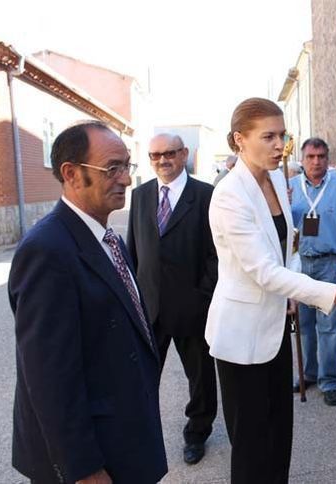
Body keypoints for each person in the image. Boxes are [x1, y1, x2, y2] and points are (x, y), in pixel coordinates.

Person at [205, 97, 336, 484]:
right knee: (252, 447)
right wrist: (333, 294)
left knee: (279, 436)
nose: (278, 144)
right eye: (267, 136)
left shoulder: (277, 184)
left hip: (274, 329)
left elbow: (289, 252)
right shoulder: (229, 194)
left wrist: (296, 292)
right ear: (239, 139)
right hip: (241, 336)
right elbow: (264, 272)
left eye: (282, 135)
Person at [9, 121, 167, 483]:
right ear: (72, 174)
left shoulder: (108, 238)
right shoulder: (47, 251)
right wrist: (84, 469)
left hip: (123, 441)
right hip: (93, 461)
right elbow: (50, 380)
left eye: (127, 166)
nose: (126, 179)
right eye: (113, 168)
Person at [126, 133, 218, 465]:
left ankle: (197, 432)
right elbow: (133, 251)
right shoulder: (140, 196)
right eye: (154, 155)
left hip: (193, 307)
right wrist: (134, 296)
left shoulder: (206, 195)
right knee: (143, 377)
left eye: (168, 153)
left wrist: (202, 296)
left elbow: (216, 254)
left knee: (201, 378)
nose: (162, 160)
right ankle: (141, 432)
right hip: (150, 307)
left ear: (183, 154)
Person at [289, 137, 336, 406]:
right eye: (310, 157)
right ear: (302, 158)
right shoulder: (290, 188)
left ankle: (329, 380)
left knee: (330, 327)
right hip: (299, 266)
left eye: (321, 156)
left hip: (329, 265)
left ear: (327, 157)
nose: (316, 162)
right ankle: (308, 374)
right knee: (303, 325)